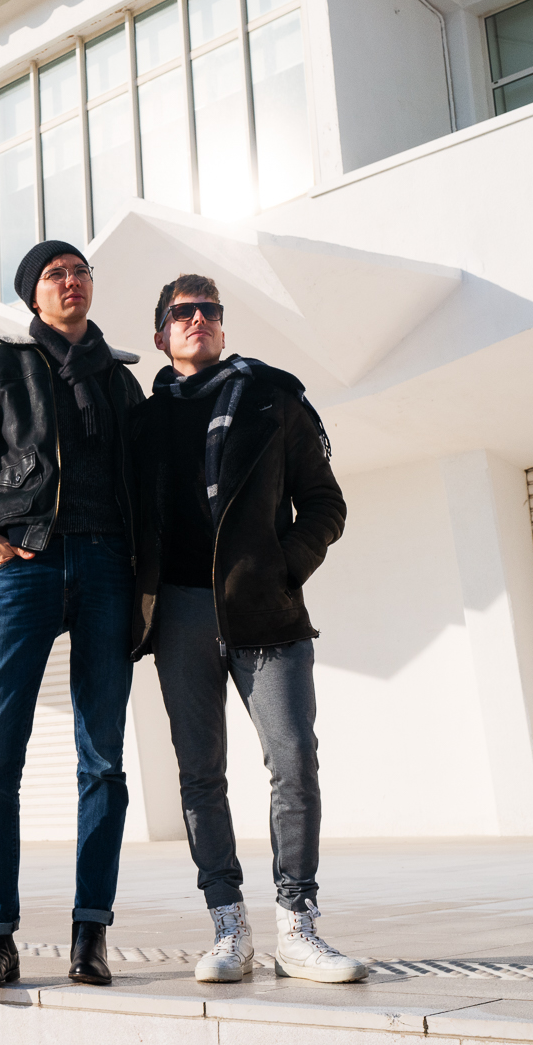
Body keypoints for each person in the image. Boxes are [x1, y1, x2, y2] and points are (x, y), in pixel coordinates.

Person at [135, 275, 366, 983]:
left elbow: (325, 503)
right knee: (201, 776)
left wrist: (281, 568)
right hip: (179, 612)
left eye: (209, 310)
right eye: (183, 311)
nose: (198, 318)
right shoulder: (143, 420)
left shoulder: (273, 398)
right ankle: (228, 926)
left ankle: (297, 926)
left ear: (223, 327)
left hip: (267, 611)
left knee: (293, 760)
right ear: (161, 335)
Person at [0, 240, 148, 990]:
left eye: (81, 271)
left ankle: (90, 934)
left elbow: (147, 485)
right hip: (26, 565)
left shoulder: (123, 383)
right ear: (34, 294)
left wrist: (143, 574)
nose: (72, 281)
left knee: (104, 761)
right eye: (57, 274)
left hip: (105, 568)